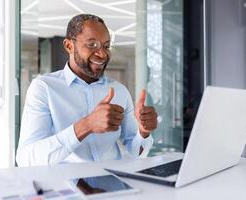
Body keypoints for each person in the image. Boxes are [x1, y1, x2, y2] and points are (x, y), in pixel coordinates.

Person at [16, 14, 158, 166]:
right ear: (69, 46)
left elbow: (135, 153)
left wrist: (143, 132)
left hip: (114, 183)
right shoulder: (44, 88)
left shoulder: (120, 91)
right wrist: (87, 125)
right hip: (66, 185)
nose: (102, 54)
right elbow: (26, 159)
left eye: (106, 46)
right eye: (92, 45)